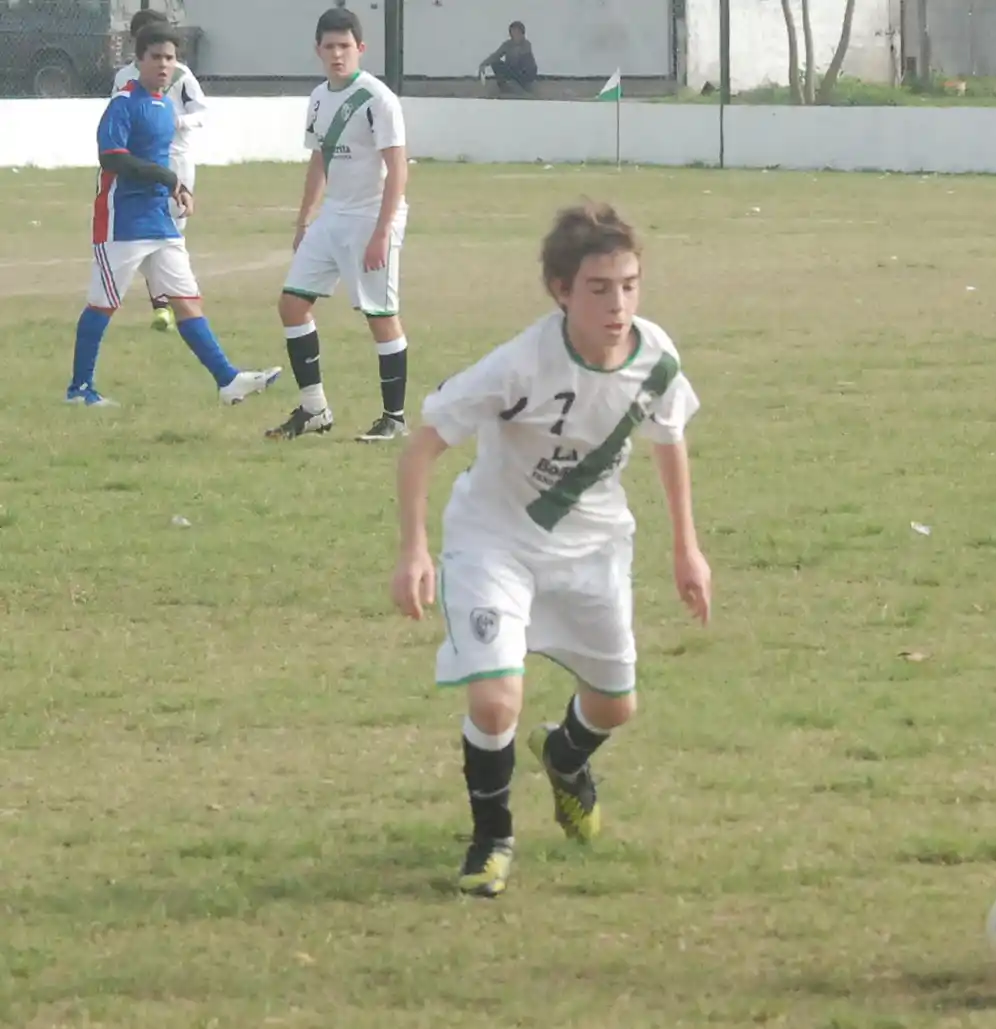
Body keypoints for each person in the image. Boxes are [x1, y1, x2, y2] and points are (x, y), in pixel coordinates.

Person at [389, 201, 711, 898]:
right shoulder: (519, 365)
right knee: (495, 701)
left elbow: (670, 437)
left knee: (616, 706)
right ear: (561, 291)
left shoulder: (655, 358)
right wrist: (415, 549)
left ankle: (564, 756)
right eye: (598, 288)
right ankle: (492, 838)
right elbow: (422, 448)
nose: (617, 303)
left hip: (593, 549)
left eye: (628, 285)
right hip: (494, 542)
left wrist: (687, 547)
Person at [68, 22, 280, 409]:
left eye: (170, 58)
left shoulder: (166, 105)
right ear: (139, 60)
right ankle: (79, 389)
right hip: (122, 222)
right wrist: (166, 177)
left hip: (159, 221)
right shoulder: (124, 103)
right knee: (102, 304)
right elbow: (111, 156)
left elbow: (162, 161)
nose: (164, 65)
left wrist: (178, 189)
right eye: (157, 58)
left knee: (186, 301)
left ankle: (228, 381)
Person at [267, 6, 412, 443]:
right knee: (291, 304)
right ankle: (314, 409)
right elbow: (318, 160)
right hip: (332, 217)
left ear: (360, 49)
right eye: (329, 46)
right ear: (317, 50)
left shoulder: (378, 100)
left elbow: (398, 169)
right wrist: (304, 218)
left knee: (380, 316)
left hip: (371, 217)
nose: (337, 54)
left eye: (344, 46)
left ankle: (395, 419)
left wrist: (382, 232)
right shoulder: (317, 98)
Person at [113, 7, 208, 334]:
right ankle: (163, 305)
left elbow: (202, 113)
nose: (162, 59)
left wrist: (177, 122)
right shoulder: (123, 79)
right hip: (142, 164)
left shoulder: (181, 74)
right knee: (146, 235)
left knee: (173, 233)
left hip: (177, 160)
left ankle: (178, 302)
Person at [479, 21, 538, 95]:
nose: (515, 34)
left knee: (527, 61)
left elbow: (522, 59)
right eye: (513, 32)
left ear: (522, 33)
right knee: (495, 63)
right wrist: (483, 64)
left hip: (524, 73)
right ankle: (506, 85)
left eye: (517, 32)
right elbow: (496, 55)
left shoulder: (526, 44)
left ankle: (524, 86)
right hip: (512, 71)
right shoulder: (507, 44)